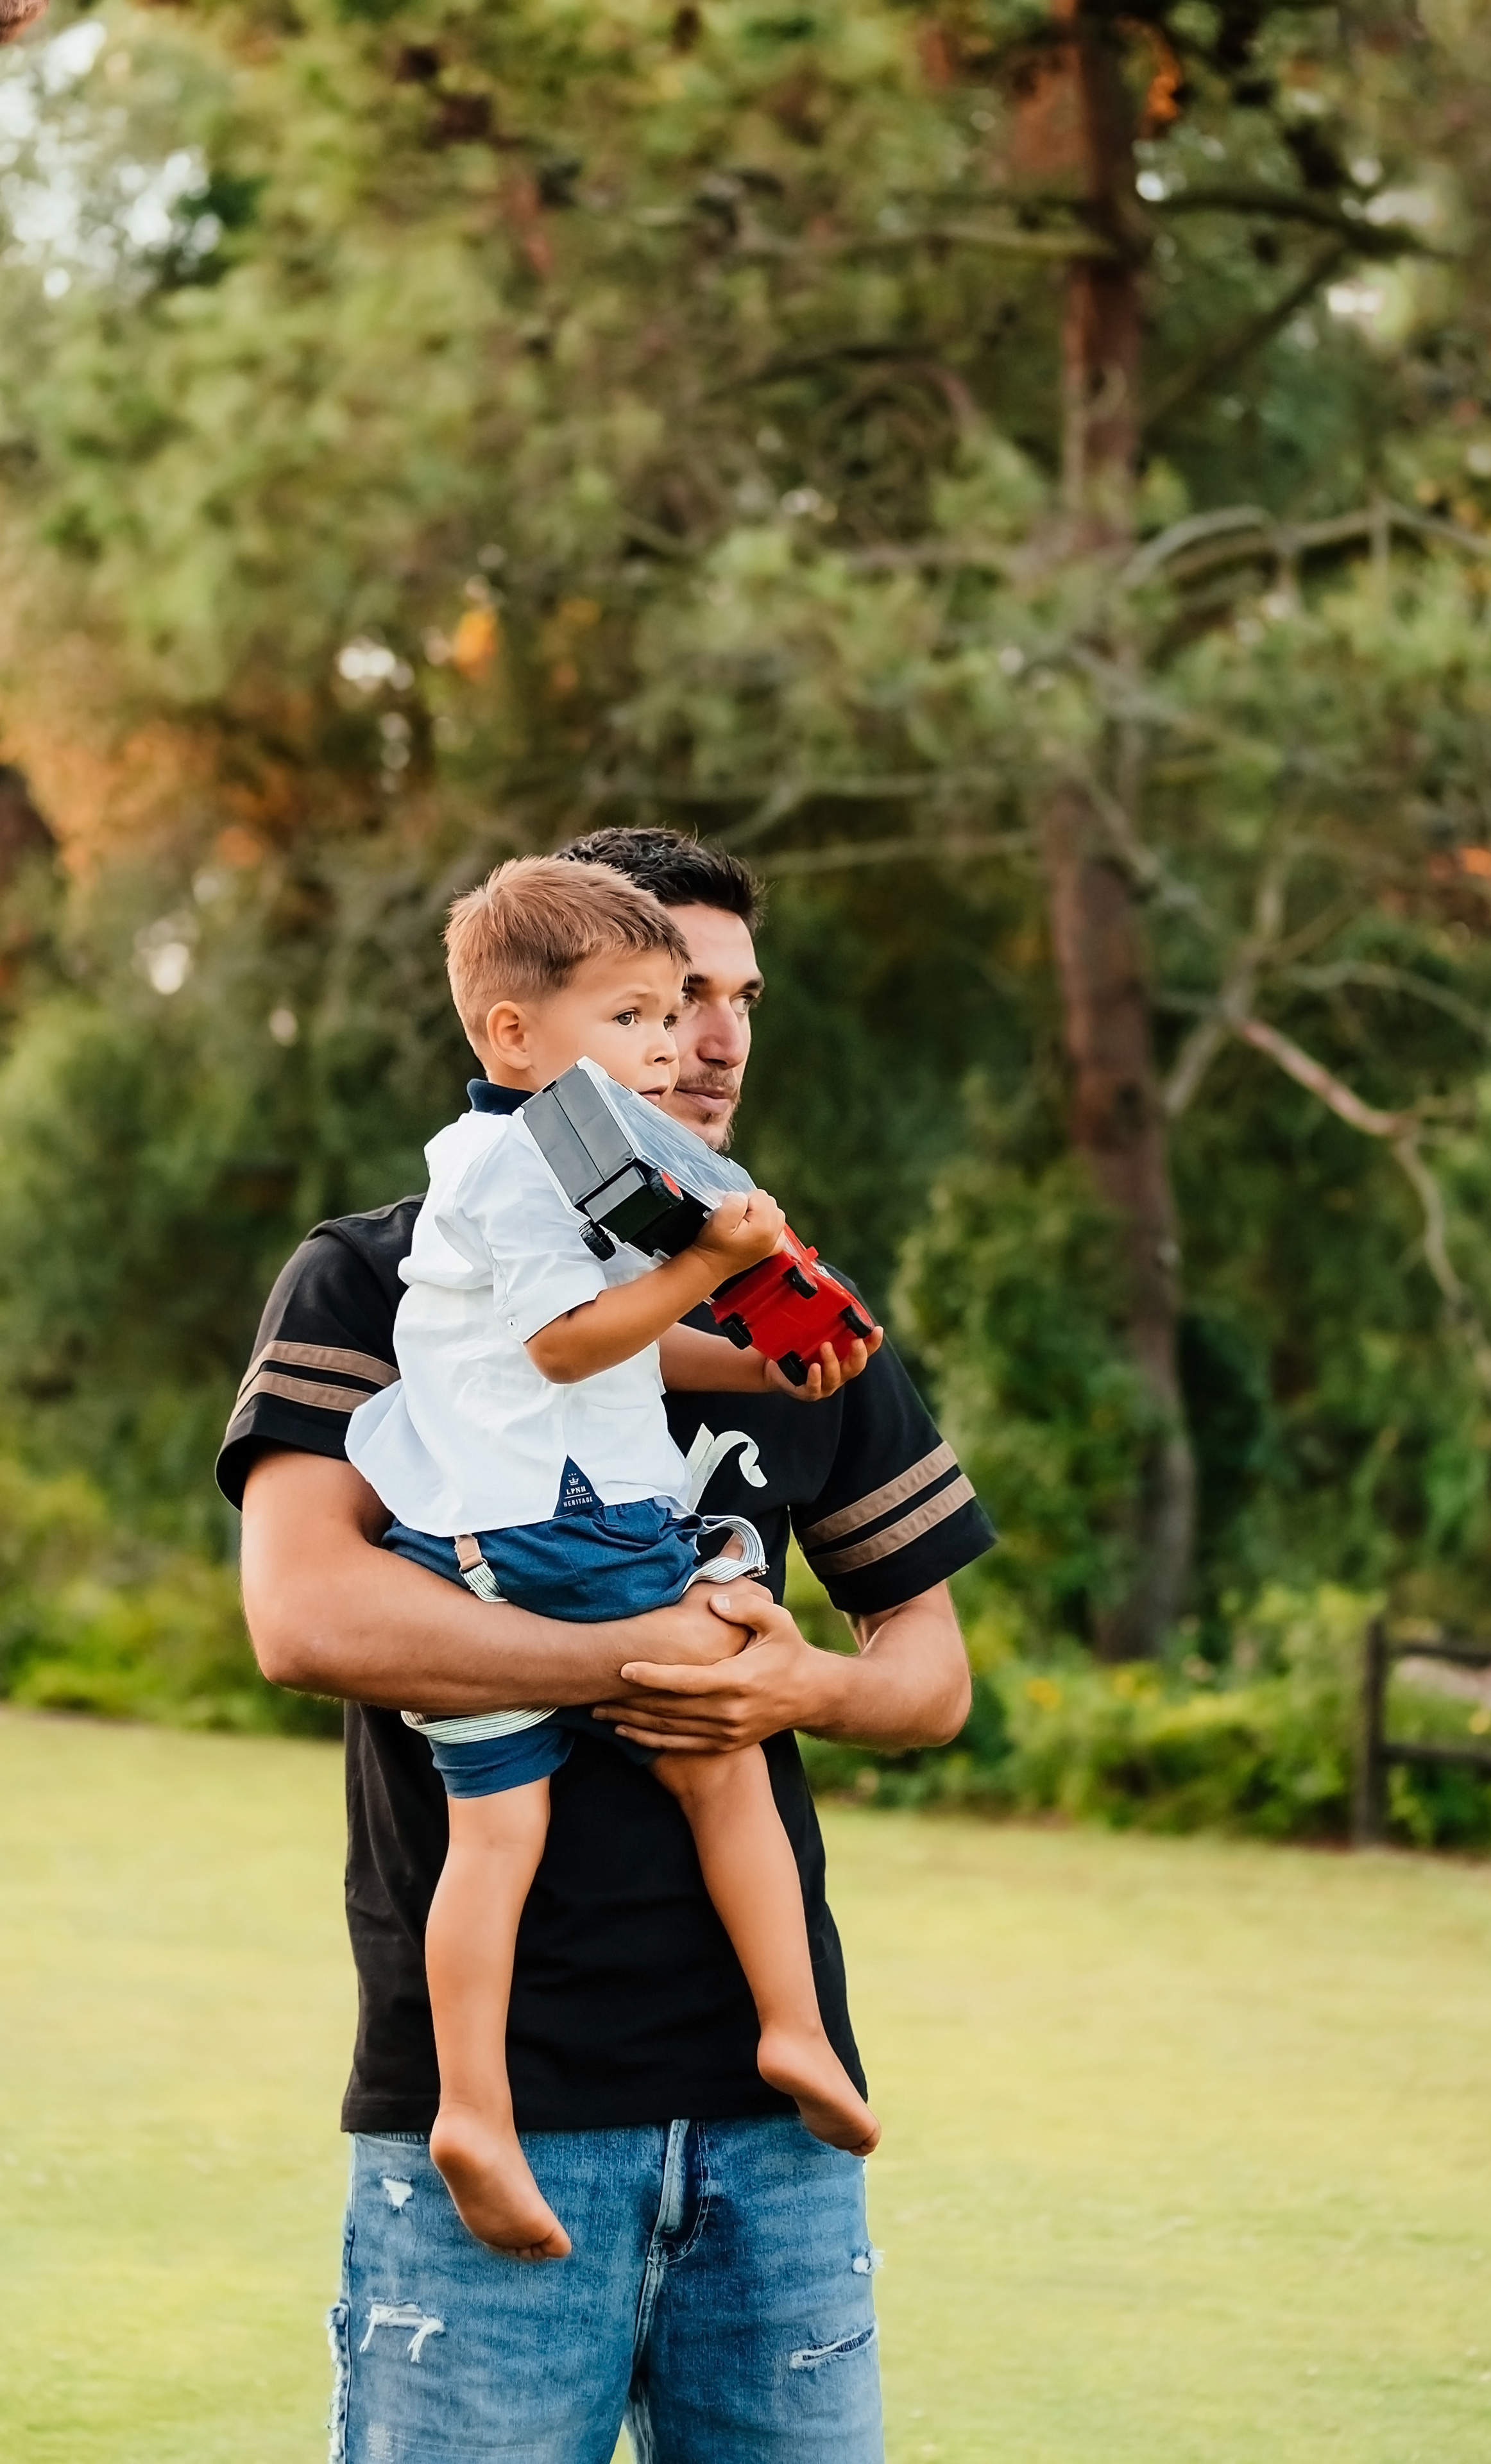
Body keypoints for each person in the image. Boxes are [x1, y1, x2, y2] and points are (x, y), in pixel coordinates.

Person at [221, 826, 994, 2463]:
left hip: (776, 2139)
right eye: (660, 1002)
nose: (704, 1041)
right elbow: (305, 1617)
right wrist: (664, 1654)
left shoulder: (777, 1298)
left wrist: (796, 1684)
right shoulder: (376, 1275)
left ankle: (788, 2024)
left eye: (732, 1001)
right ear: (529, 1028)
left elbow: (929, 1677)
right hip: (508, 2109)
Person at [349, 855, 879, 2265]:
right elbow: (566, 1345)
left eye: (680, 1013)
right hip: (573, 1525)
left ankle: (473, 2111)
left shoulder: (521, 1159)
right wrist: (710, 1264)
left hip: (472, 1540)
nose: (672, 1046)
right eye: (635, 1016)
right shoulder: (528, 1168)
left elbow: (622, 1342)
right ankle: (793, 2027)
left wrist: (761, 1366)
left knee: (495, 1836)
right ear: (512, 1033)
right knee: (723, 1753)